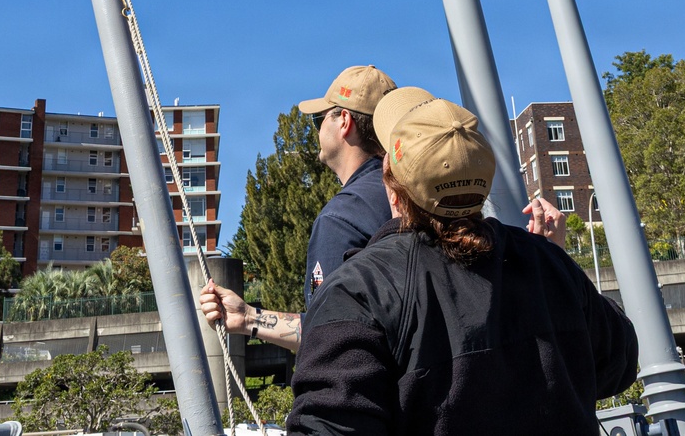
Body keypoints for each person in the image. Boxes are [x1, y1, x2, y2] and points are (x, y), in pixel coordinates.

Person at [285, 87, 638, 435]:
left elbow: (328, 424)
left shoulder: (361, 288)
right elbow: (617, 364)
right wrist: (551, 266)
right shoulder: (548, 263)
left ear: (390, 179)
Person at [199, 67, 566, 353]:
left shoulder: (342, 219)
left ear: (343, 121)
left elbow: (331, 335)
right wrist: (545, 260)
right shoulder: (444, 205)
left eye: (319, 119)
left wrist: (250, 319)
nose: (315, 130)